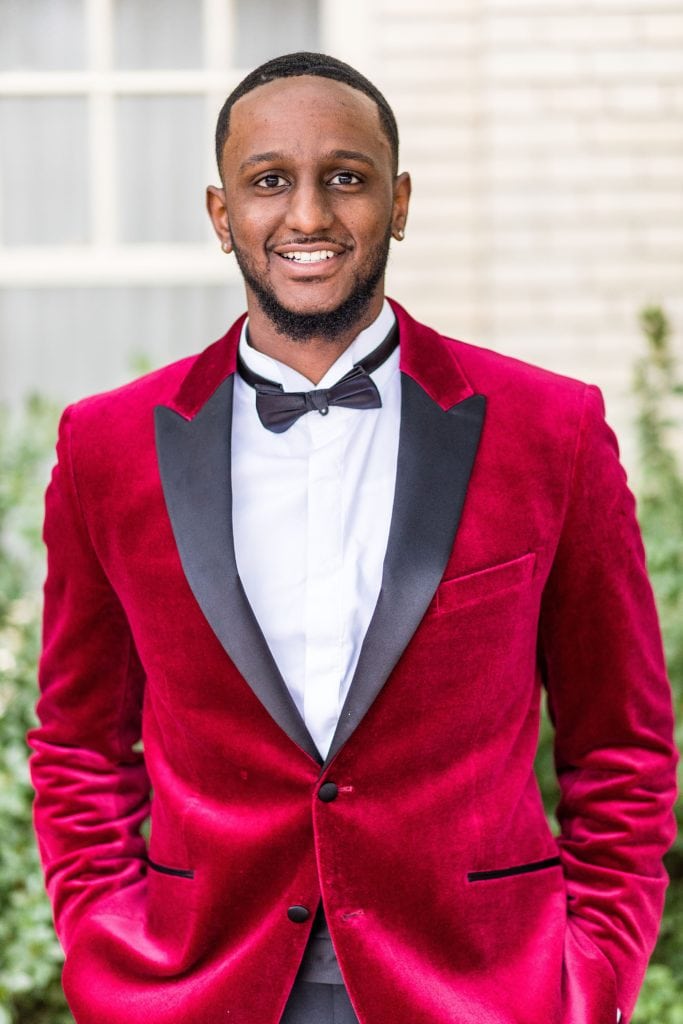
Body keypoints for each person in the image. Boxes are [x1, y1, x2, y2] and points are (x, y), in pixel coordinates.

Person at [29, 52, 676, 1024]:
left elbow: (620, 743)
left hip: (480, 990)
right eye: (267, 181)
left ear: (398, 200)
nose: (307, 217)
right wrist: (103, 951)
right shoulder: (107, 446)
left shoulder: (550, 431)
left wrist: (592, 976)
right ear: (220, 215)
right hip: (200, 986)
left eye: (344, 177)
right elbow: (81, 743)